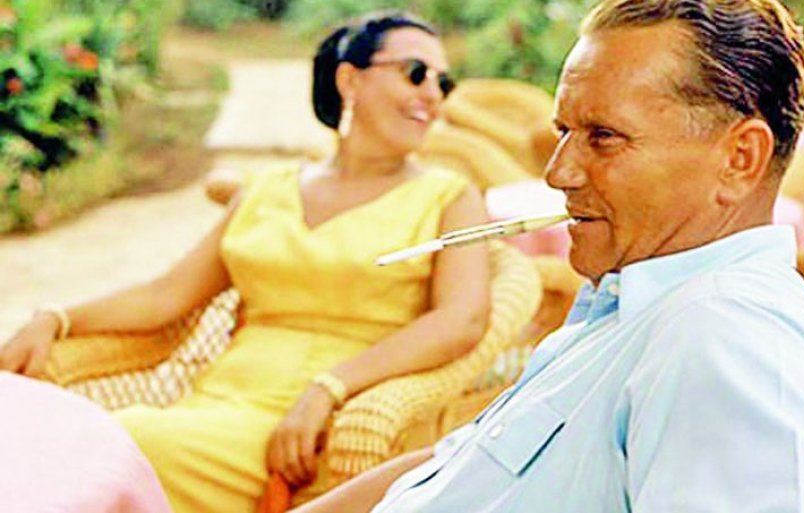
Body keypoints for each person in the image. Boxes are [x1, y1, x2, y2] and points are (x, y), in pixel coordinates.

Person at [289, 0, 804, 511]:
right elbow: (461, 464)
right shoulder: (633, 305)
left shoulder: (732, 341)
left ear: (739, 159)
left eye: (603, 137)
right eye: (564, 132)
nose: (559, 172)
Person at [0, 12, 490, 513]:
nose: (433, 94)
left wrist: (331, 386)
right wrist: (58, 318)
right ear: (349, 79)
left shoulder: (447, 196)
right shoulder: (267, 189)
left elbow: (462, 320)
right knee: (85, 446)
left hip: (320, 423)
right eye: (416, 73)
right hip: (215, 405)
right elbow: (164, 296)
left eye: (443, 82)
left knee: (120, 447)